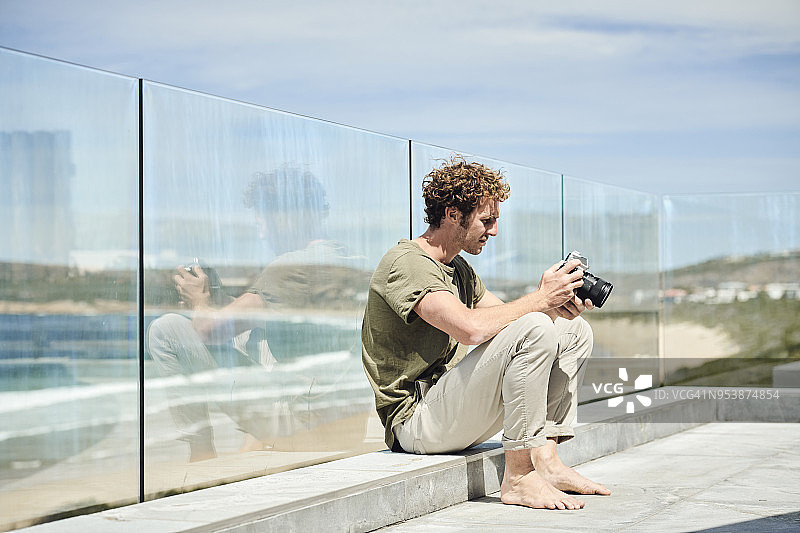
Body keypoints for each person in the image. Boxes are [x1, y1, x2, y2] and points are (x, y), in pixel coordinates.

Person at [361, 155, 611, 510]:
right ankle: (519, 478)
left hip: (454, 409)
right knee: (536, 325)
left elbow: (508, 323)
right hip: (415, 422)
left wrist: (555, 305)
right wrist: (540, 300)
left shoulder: (458, 268)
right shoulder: (406, 263)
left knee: (572, 330)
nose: (493, 231)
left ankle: (546, 461)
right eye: (486, 220)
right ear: (452, 214)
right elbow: (471, 329)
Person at [147, 166, 355, 462]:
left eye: (262, 222)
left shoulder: (291, 267)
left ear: (283, 217)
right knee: (258, 333)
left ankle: (201, 456)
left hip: (301, 421)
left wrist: (199, 303)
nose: (261, 233)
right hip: (342, 422)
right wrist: (221, 303)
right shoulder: (345, 257)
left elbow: (208, 330)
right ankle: (251, 447)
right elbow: (262, 316)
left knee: (167, 330)